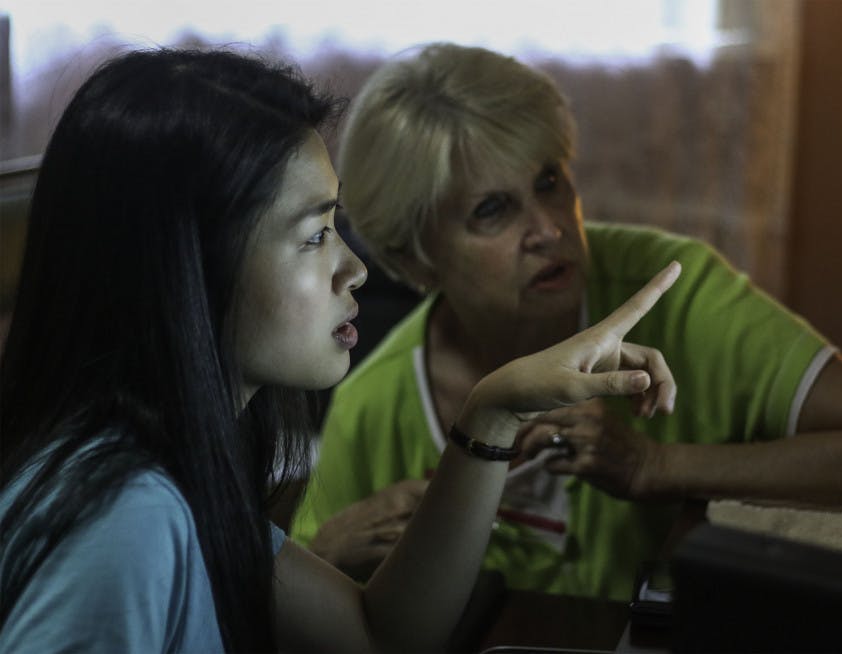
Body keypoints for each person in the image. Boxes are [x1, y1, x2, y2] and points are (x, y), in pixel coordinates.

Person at [0, 47, 684, 652]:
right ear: (190, 267)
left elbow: (377, 634)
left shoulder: (181, 473)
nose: (354, 270)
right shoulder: (129, 517)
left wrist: (492, 413)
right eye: (312, 235)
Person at [290, 42, 842, 600]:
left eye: (549, 181)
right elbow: (299, 617)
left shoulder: (674, 287)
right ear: (413, 255)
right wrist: (324, 561)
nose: (549, 228)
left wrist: (659, 467)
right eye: (492, 210)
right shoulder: (372, 408)